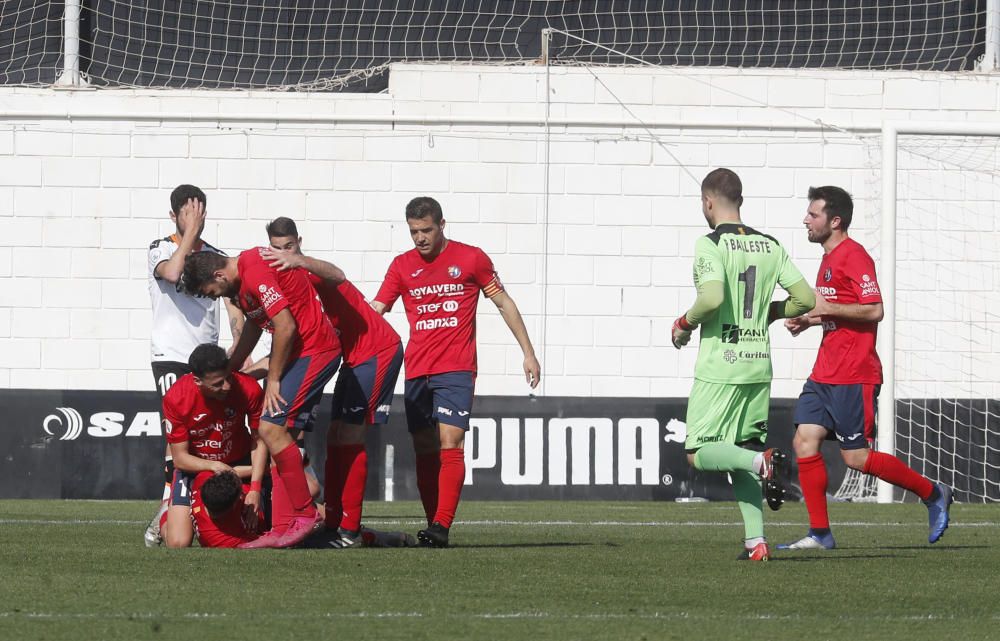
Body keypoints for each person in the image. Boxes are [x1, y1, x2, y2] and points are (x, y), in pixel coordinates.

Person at [778, 186, 953, 550]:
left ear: (835, 220)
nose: (806, 220)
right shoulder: (827, 259)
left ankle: (933, 493)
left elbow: (875, 310)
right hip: (824, 372)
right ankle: (820, 533)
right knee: (804, 440)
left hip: (854, 374)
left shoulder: (854, 256)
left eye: (813, 215)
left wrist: (824, 310)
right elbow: (836, 308)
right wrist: (809, 321)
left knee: (855, 457)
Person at [372, 196, 541, 547]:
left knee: (451, 442)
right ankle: (434, 523)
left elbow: (503, 302)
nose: (420, 237)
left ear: (442, 225)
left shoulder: (471, 258)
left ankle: (441, 526)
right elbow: (378, 309)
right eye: (414, 231)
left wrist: (528, 353)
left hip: (456, 368)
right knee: (423, 445)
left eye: (426, 230)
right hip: (417, 370)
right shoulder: (401, 266)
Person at [671, 168, 815, 562]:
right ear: (741, 201)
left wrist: (683, 324)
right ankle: (757, 543)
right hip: (758, 366)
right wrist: (770, 313)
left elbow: (713, 297)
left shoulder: (709, 244)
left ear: (708, 202)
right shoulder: (770, 245)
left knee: (697, 453)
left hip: (721, 367)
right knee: (742, 453)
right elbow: (805, 298)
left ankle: (761, 461)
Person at [182, 243, 342, 549]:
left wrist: (273, 378)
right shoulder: (242, 286)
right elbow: (256, 325)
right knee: (280, 435)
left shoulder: (253, 271)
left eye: (212, 292)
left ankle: (305, 515)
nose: (217, 298)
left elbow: (285, 325)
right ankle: (284, 526)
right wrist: (231, 368)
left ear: (219, 275)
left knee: (270, 428)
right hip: (302, 353)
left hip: (316, 350)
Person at [263, 217, 405, 549]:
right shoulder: (282, 286)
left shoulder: (308, 271)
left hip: (377, 350)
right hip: (351, 358)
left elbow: (338, 274)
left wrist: (299, 260)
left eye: (289, 247)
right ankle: (336, 521)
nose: (283, 254)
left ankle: (350, 531)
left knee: (351, 434)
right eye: (277, 248)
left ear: (299, 241)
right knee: (335, 435)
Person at [145, 184, 245, 547]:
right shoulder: (161, 248)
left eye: (200, 214)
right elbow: (172, 273)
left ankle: (203, 507)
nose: (196, 221)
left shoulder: (216, 256)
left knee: (209, 434)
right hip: (171, 354)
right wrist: (188, 236)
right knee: (177, 439)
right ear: (174, 216)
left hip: (208, 360)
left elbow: (234, 304)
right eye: (188, 215)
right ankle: (167, 507)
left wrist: (238, 345)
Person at [160, 343, 267, 548]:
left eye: (228, 377)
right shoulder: (176, 398)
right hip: (194, 469)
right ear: (197, 381)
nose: (226, 386)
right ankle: (165, 512)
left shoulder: (248, 388)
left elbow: (259, 440)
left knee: (257, 527)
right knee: (178, 543)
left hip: (239, 464)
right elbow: (180, 459)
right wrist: (214, 466)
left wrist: (255, 487)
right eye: (218, 383)